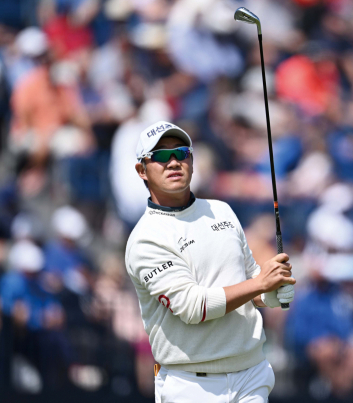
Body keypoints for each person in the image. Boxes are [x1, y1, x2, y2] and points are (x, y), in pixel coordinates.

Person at [125, 121, 295, 402]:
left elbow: (251, 282)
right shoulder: (146, 238)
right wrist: (258, 284)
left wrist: (273, 292)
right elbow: (194, 308)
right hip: (190, 385)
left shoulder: (222, 210)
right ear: (142, 170)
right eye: (161, 156)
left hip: (251, 374)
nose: (173, 162)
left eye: (181, 153)